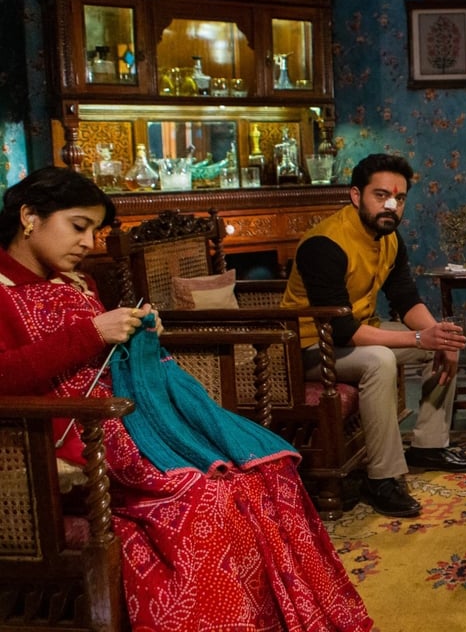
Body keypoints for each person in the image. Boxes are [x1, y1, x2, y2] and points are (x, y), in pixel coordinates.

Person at [0, 167, 371, 631]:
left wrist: (138, 336)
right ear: (29, 217)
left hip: (133, 430)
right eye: (78, 226)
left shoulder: (76, 282)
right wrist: (94, 332)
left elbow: (106, 362)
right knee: (208, 497)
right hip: (61, 449)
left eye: (95, 231)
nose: (89, 243)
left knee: (264, 475)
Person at [282, 153, 466, 519]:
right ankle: (382, 478)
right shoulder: (324, 244)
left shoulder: (389, 237)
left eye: (399, 198)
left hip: (355, 334)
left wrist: (438, 336)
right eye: (381, 195)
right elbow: (341, 330)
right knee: (380, 359)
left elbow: (405, 299)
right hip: (309, 346)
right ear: (356, 195)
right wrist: (420, 340)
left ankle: (429, 446)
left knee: (445, 340)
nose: (391, 205)